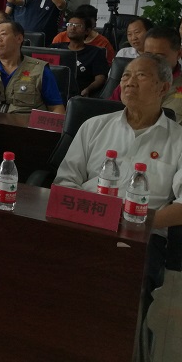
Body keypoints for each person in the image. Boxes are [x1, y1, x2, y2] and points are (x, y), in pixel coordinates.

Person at [54, 54, 182, 320]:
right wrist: (94, 216)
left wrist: (137, 221)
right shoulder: (94, 126)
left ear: (163, 87)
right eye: (125, 76)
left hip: (142, 235)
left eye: (141, 75)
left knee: (120, 292)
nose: (129, 82)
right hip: (85, 222)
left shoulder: (178, 139)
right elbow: (65, 181)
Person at [0, 20, 66, 114]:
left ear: (19, 38)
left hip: (26, 122)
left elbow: (56, 108)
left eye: (3, 34)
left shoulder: (40, 70)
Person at [109, 26, 182, 121]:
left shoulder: (179, 84)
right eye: (148, 55)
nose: (152, 62)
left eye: (160, 57)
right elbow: (108, 110)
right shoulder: (130, 81)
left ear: (179, 54)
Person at [52, 14, 108, 97]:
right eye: (70, 24)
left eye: (78, 25)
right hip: (53, 90)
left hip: (78, 95)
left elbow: (100, 78)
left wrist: (88, 89)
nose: (72, 28)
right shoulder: (55, 48)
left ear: (87, 31)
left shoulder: (95, 52)